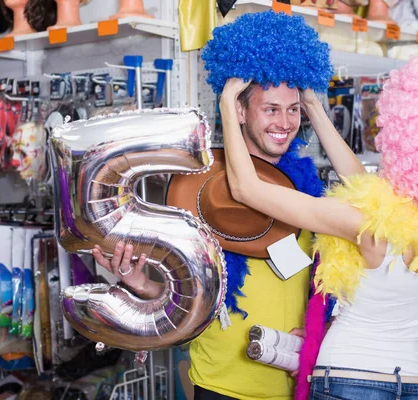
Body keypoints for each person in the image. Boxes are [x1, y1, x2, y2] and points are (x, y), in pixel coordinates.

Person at [220, 50, 418, 400]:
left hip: (349, 377)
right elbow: (362, 185)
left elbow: (246, 188)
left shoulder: (366, 225)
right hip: (413, 382)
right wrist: (314, 108)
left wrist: (229, 103)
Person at [92, 10, 337, 400]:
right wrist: (139, 283)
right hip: (221, 386)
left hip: (298, 384)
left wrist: (321, 330)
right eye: (271, 108)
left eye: (293, 110)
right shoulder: (201, 192)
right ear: (239, 110)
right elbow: (183, 296)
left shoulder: (309, 193)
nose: (285, 122)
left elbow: (337, 286)